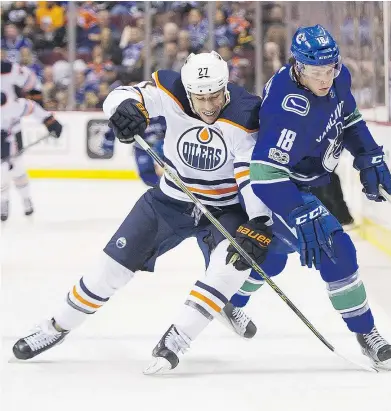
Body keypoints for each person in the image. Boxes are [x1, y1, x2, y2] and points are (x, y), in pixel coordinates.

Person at [11, 52, 281, 375]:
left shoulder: (245, 112)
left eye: (215, 96)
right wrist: (121, 109)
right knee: (107, 271)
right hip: (170, 200)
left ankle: (180, 336)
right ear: (187, 89)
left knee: (238, 259)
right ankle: (55, 327)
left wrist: (259, 220)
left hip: (226, 206)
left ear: (226, 87)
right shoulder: (171, 89)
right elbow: (124, 95)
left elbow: (248, 175)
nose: (209, 106)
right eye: (200, 97)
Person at [224, 25, 391, 370]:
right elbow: (265, 173)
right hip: (278, 183)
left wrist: (369, 156)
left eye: (330, 69)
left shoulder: (337, 76)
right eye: (316, 72)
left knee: (275, 254)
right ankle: (367, 334)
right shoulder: (287, 110)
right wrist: (298, 210)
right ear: (297, 67)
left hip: (305, 177)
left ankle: (230, 298)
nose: (325, 79)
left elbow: (347, 118)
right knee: (337, 250)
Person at [1, 91, 62, 221]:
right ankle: (3, 202)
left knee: (18, 171)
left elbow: (33, 107)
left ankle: (26, 198)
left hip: (14, 142)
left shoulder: (15, 105)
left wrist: (50, 121)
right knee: (2, 175)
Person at [1, 59, 46, 217]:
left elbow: (31, 82)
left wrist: (45, 115)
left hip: (13, 128)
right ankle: (3, 202)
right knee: (1, 171)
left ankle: (26, 199)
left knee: (17, 167)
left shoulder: (9, 69)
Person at [103, 116, 167, 187]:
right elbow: (118, 120)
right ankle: (161, 190)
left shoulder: (165, 112)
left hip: (165, 147)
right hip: (142, 148)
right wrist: (109, 141)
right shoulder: (136, 112)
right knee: (146, 175)